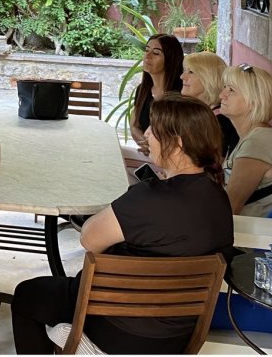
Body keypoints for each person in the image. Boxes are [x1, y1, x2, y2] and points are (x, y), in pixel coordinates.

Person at [12, 94, 233, 354]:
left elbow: (89, 239)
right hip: (178, 336)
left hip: (118, 329)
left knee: (27, 295)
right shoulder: (218, 197)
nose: (147, 134)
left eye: (154, 129)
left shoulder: (150, 198)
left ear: (177, 143)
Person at [219, 63, 272, 217]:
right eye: (225, 87)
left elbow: (229, 207)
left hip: (256, 230)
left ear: (253, 102)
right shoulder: (254, 136)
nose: (221, 95)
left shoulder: (258, 143)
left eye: (231, 90)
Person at [121, 34, 184, 174]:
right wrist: (146, 143)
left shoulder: (181, 94)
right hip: (149, 155)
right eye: (146, 50)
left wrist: (156, 146)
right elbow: (134, 125)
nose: (147, 56)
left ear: (170, 59)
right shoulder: (142, 90)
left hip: (173, 161)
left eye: (156, 53)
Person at [181, 52, 239, 158]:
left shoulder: (220, 122)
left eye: (191, 72)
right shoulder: (201, 113)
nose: (182, 76)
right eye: (184, 70)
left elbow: (211, 164)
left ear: (209, 79)